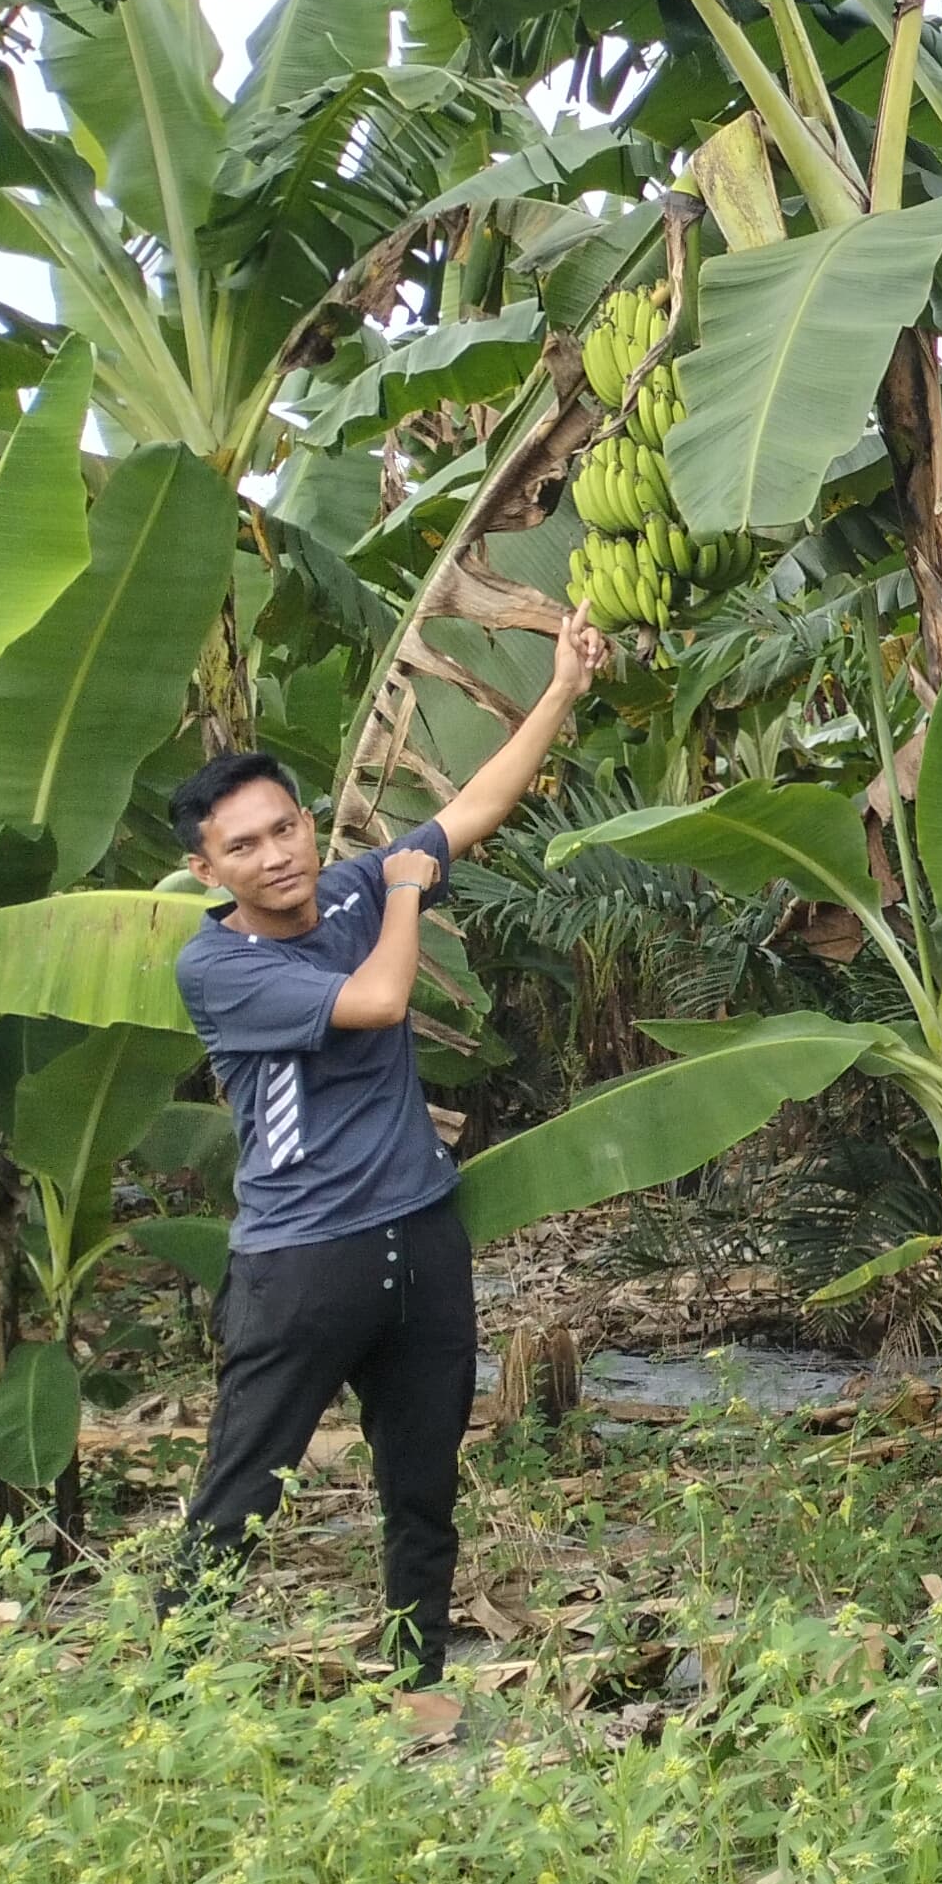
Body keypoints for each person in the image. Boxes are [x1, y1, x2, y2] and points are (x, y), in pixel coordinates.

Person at [163, 610, 611, 1683]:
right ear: (206, 867)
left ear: (308, 823)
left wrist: (560, 689)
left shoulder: (358, 887)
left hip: (420, 1237)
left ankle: (421, 1687)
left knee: (422, 1486)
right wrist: (403, 888)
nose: (275, 856)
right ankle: (167, 1694)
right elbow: (377, 997)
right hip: (303, 1263)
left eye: (286, 829)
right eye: (243, 846)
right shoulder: (217, 967)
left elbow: (476, 805)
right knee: (243, 1491)